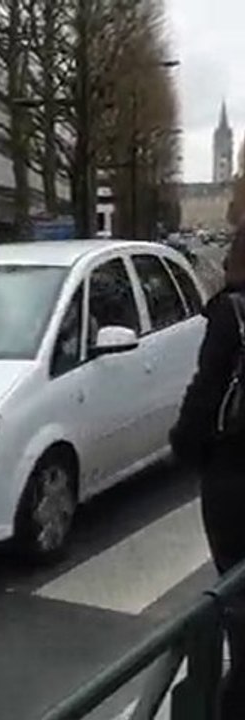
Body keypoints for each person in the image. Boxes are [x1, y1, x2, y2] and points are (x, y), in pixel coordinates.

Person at [171, 223, 245, 719]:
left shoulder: (232, 312)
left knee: (236, 596)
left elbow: (206, 390)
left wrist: (186, 448)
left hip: (235, 474)